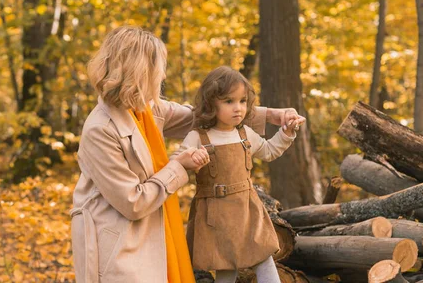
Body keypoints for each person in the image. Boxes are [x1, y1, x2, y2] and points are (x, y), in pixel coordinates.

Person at [70, 26, 306, 283]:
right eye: (157, 71)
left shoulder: (146, 109)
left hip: (155, 229)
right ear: (139, 73)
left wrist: (271, 115)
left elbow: (206, 114)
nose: (161, 77)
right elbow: (133, 202)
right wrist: (178, 166)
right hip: (120, 239)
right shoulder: (100, 130)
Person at [176, 66, 304, 283]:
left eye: (242, 101)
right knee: (225, 266)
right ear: (210, 103)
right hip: (215, 215)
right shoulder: (198, 137)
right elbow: (178, 161)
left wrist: (286, 133)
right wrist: (191, 159)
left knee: (263, 256)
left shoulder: (246, 134)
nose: (238, 108)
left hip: (247, 209)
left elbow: (270, 151)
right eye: (229, 101)